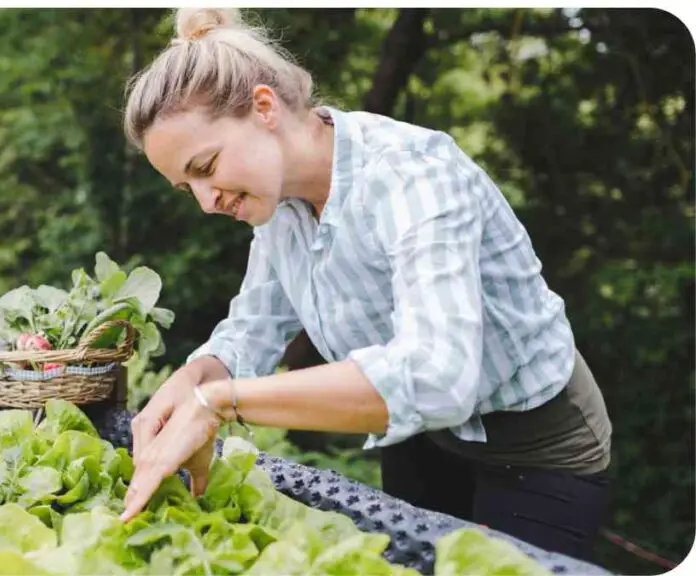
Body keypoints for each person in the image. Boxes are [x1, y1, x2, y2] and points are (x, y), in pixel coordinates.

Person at [118, 7, 613, 563]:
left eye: (206, 166)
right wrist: (192, 381)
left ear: (264, 108)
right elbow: (251, 330)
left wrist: (221, 403)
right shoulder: (277, 205)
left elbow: (436, 376)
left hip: (535, 442)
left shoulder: (412, 174)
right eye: (188, 188)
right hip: (420, 436)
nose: (207, 203)